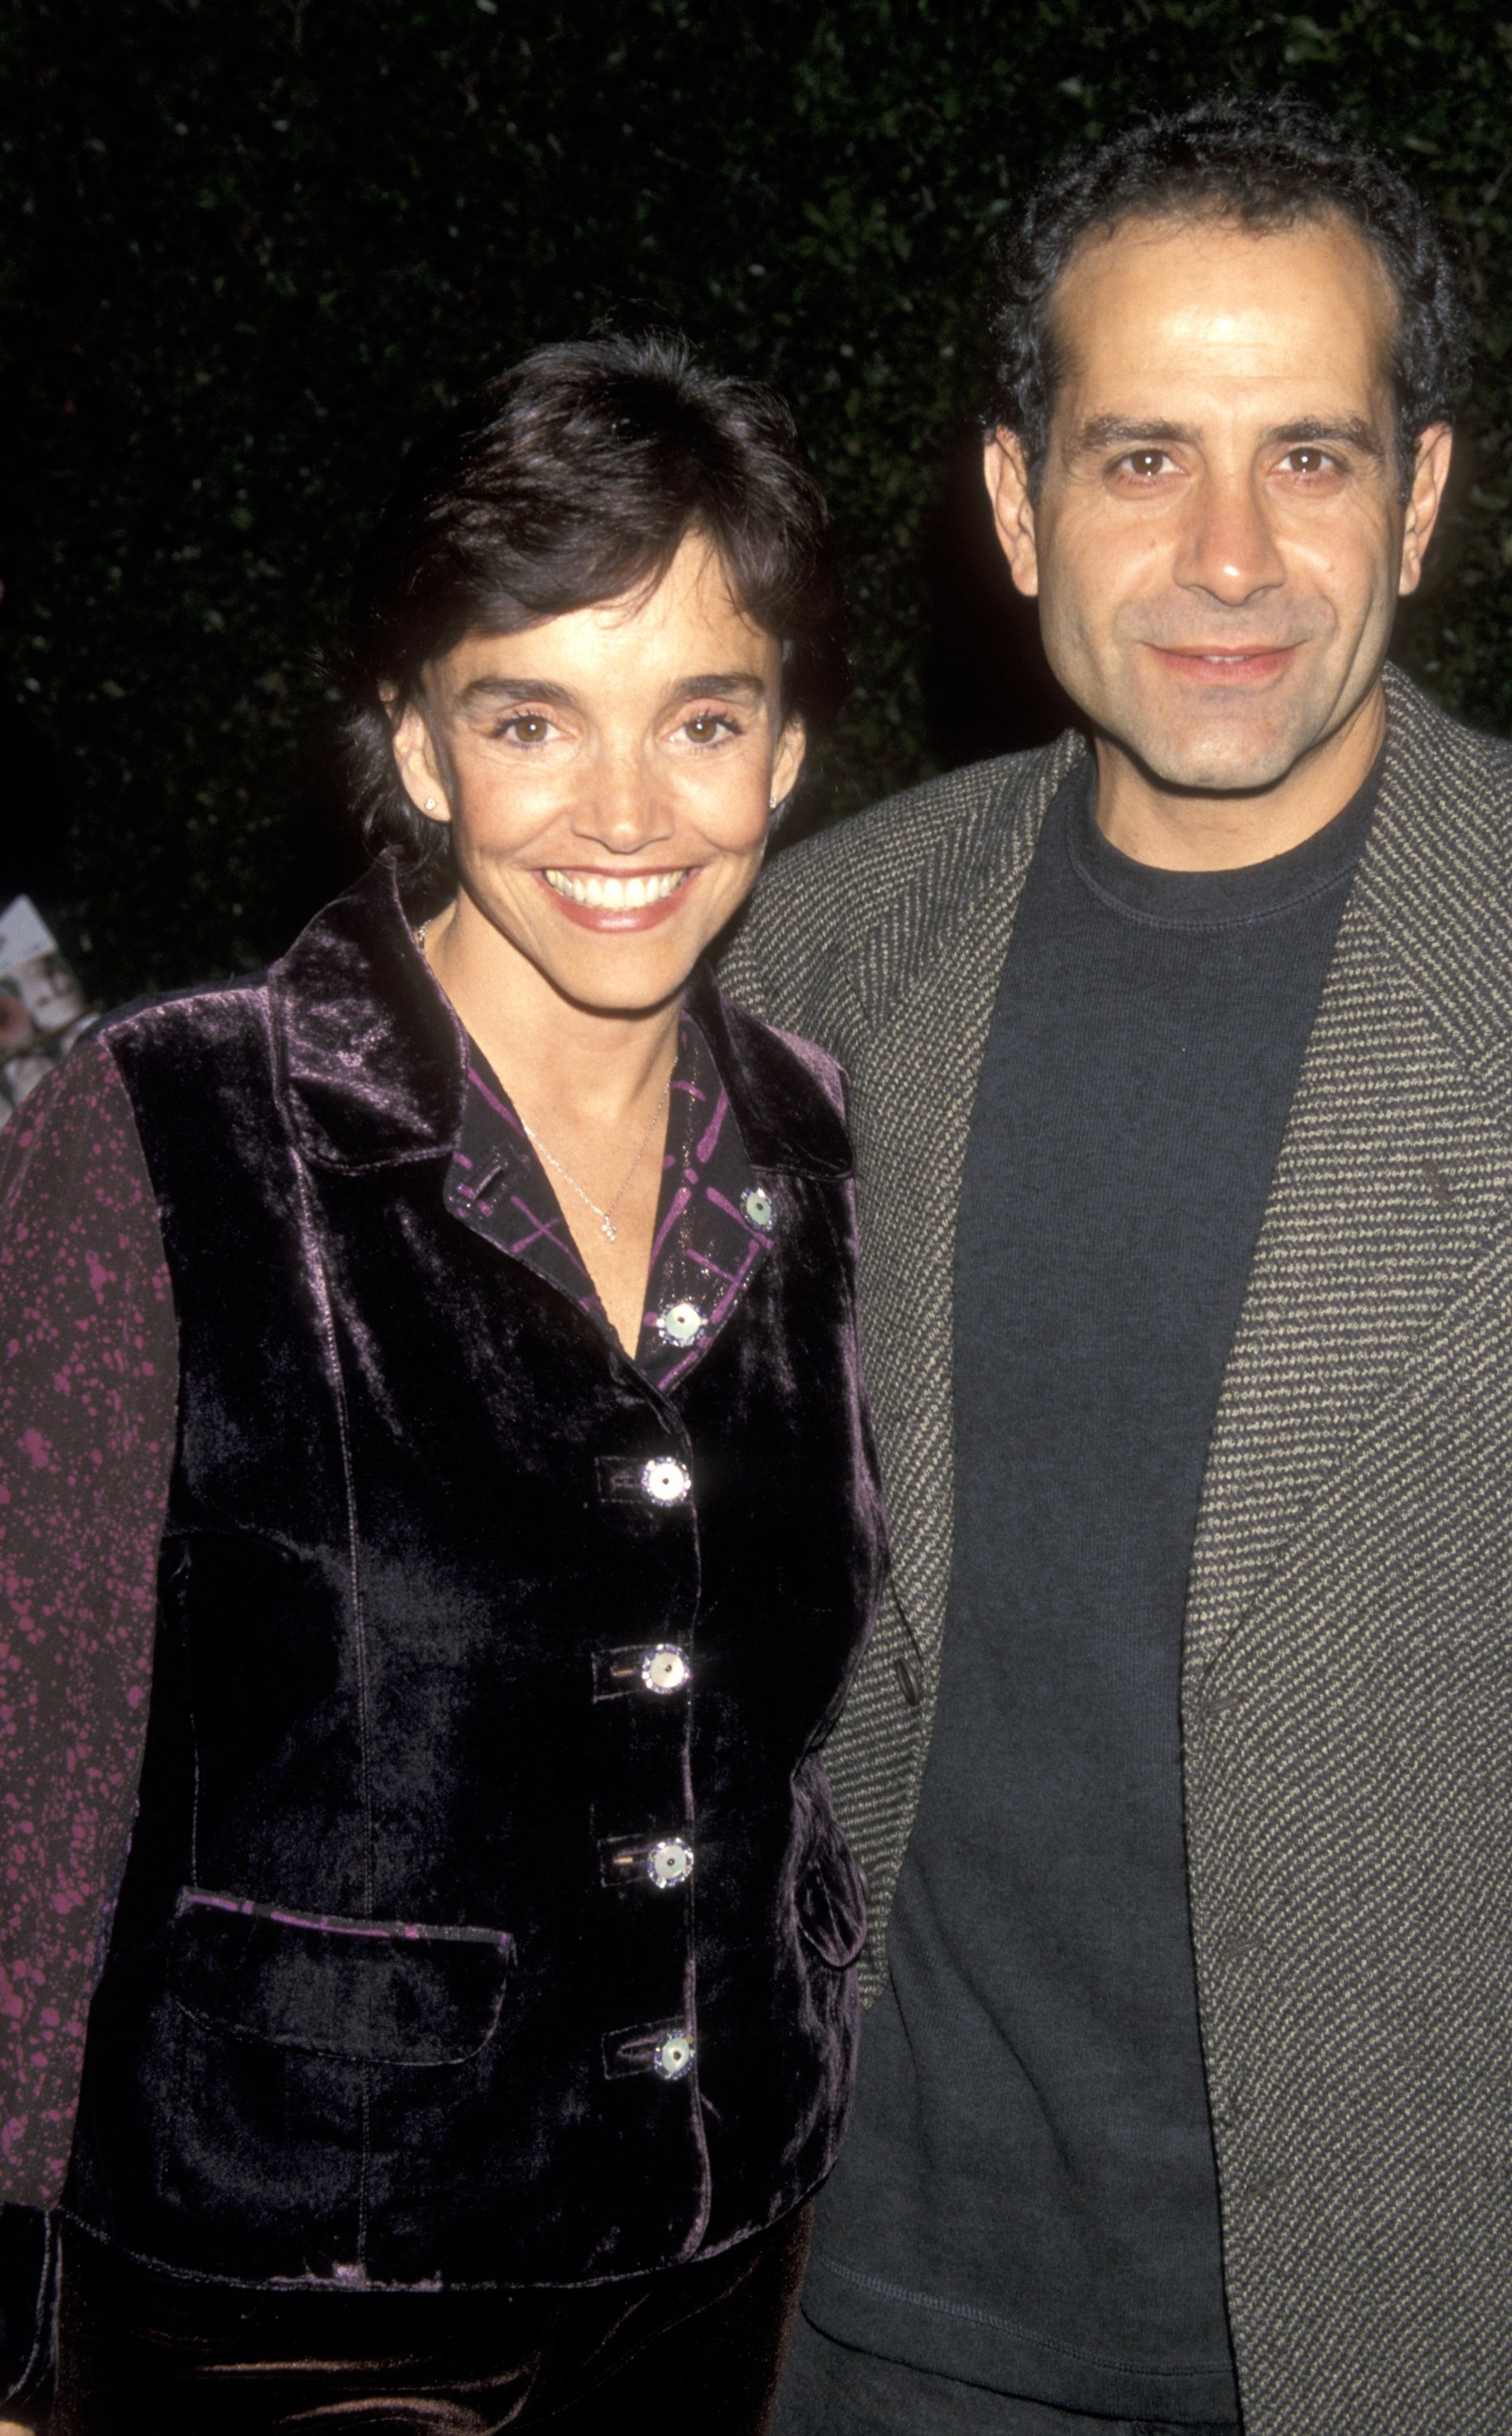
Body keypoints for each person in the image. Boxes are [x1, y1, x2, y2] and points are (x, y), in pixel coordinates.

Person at [722, 96, 1512, 2436]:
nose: (1230, 555)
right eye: (1141, 460)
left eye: (1309, 458)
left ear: (1418, 495)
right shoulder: (813, 950)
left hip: (1455, 2320)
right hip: (867, 2311)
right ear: (1017, 505)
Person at [0, 330, 884, 2434]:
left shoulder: (822, 1152)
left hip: (713, 2268)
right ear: (414, 746)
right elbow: (25, 1761)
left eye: (701, 716)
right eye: (530, 716)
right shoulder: (177, 1120)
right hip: (281, 2302)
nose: (624, 812)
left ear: (784, 755)